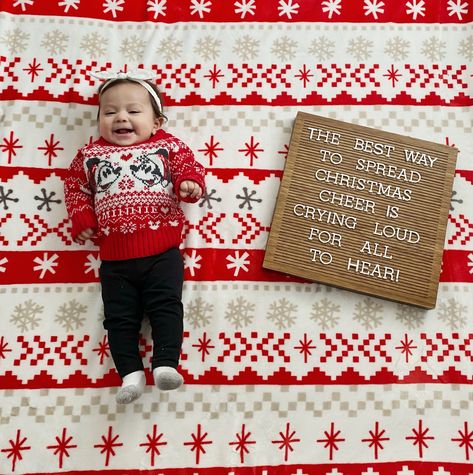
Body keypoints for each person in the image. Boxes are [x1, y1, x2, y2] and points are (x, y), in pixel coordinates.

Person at [64, 70, 205, 404]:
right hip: (115, 258)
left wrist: (189, 184)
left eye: (133, 111)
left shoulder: (168, 147)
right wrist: (82, 217)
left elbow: (190, 167)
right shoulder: (89, 157)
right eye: (110, 112)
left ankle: (166, 364)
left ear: (156, 122)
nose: (121, 118)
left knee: (166, 308)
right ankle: (130, 373)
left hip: (162, 252)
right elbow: (75, 189)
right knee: (118, 318)